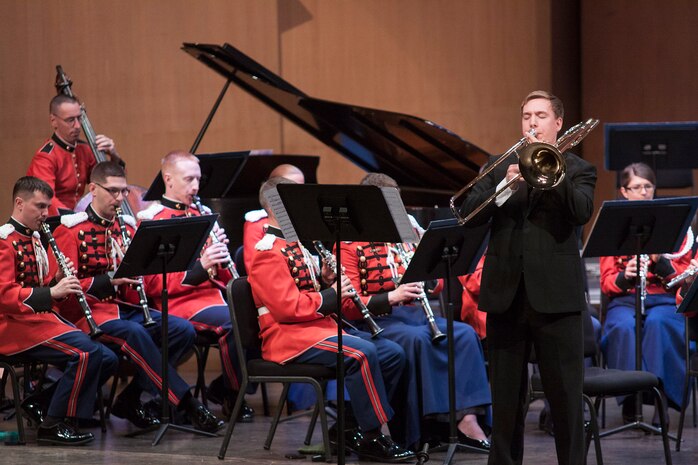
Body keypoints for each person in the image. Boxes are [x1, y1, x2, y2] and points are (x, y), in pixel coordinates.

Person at [457, 90, 597, 465]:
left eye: (539, 115)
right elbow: (468, 213)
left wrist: (553, 173)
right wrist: (506, 184)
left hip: (556, 299)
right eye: (525, 116)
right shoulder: (500, 165)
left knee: (566, 400)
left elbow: (581, 211)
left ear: (558, 123)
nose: (531, 123)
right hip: (506, 296)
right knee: (506, 403)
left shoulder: (579, 169)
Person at [247, 176, 413, 462]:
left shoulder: (296, 244)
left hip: (316, 329)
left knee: (392, 353)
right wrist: (331, 295)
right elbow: (287, 308)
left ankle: (349, 428)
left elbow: (306, 292)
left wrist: (324, 280)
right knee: (361, 353)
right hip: (287, 339)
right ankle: (374, 437)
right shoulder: (267, 252)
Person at [52, 161, 223, 433]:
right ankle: (188, 403)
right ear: (93, 189)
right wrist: (109, 281)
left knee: (181, 330)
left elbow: (138, 283)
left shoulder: (127, 229)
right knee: (136, 333)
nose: (120, 199)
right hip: (88, 314)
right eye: (113, 191)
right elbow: (66, 290)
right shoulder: (71, 231)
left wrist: (138, 277)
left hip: (123, 308)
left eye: (123, 192)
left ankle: (130, 399)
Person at [339, 173, 491, 452]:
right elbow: (349, 305)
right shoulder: (349, 242)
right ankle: (421, 429)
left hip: (416, 316)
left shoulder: (408, 233)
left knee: (464, 334)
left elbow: (437, 283)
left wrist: (427, 280)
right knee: (417, 340)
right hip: (376, 322)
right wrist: (391, 296)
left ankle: (466, 419)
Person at [0, 176, 118, 445]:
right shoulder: (4, 241)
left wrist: (56, 283)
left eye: (47, 208)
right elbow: (3, 295)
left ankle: (41, 404)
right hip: (10, 326)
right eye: (40, 207)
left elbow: (38, 286)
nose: (45, 214)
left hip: (35, 321)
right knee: (87, 352)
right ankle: (54, 424)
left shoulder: (36, 238)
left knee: (108, 358)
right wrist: (50, 292)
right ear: (19, 203)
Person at [136, 151, 251, 421]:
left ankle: (224, 387)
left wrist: (220, 259)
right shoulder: (152, 220)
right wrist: (201, 267)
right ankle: (233, 395)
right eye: (189, 179)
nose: (196, 187)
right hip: (179, 305)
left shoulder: (203, 213)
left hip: (213, 299)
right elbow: (153, 285)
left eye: (198, 179)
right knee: (236, 323)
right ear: (169, 179)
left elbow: (221, 277)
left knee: (257, 317)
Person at [599, 162, 691, 420]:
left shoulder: (674, 222)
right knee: (622, 328)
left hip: (663, 298)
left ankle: (661, 398)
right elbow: (606, 281)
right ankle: (630, 397)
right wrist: (625, 276)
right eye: (636, 187)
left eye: (648, 186)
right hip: (626, 300)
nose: (643, 192)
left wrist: (661, 264)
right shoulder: (614, 225)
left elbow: (684, 278)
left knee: (661, 324)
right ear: (624, 191)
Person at [28, 94, 122, 215]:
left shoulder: (84, 150)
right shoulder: (45, 157)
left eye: (79, 118)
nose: (78, 126)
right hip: (54, 222)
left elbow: (107, 182)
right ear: (53, 121)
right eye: (70, 120)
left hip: (79, 219)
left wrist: (113, 155)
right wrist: (75, 218)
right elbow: (46, 199)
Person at [242, 163, 306, 273]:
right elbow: (255, 269)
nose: (297, 196)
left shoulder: (306, 220)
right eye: (291, 189)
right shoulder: (257, 224)